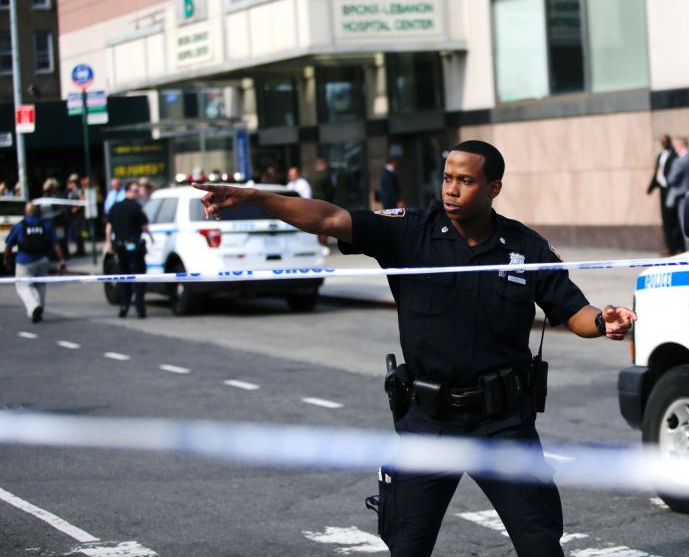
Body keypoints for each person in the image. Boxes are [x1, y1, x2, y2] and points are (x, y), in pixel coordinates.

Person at [194, 140, 637, 556]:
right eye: (447, 178)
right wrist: (253, 197)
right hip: (429, 420)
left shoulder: (525, 247)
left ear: (494, 188)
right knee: (407, 545)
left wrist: (603, 321)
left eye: (465, 181)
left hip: (502, 423)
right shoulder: (409, 233)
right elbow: (328, 219)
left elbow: (573, 309)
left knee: (540, 543)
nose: (451, 188)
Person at [3, 202, 66, 323]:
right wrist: (62, 260)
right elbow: (55, 244)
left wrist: (6, 259)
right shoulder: (46, 225)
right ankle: (40, 308)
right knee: (41, 285)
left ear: (26, 212)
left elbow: (9, 244)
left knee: (23, 286)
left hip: (24, 261)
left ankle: (34, 308)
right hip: (42, 260)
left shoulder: (20, 226)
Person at [105, 181, 152, 318]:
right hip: (135, 247)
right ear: (129, 191)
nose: (137, 193)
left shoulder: (115, 206)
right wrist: (151, 238)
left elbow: (109, 226)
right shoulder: (136, 207)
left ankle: (124, 306)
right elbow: (144, 226)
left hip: (120, 247)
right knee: (139, 277)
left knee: (123, 277)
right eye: (136, 190)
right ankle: (139, 308)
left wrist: (109, 243)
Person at [665, 137, 689, 252]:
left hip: (683, 198)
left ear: (681, 146)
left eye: (676, 147)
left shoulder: (679, 161)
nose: (675, 149)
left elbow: (670, 179)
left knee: (686, 227)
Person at [646, 134, 677, 256]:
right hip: (663, 190)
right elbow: (657, 173)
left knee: (673, 219)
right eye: (662, 141)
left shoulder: (674, 155)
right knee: (666, 220)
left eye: (665, 141)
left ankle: (677, 246)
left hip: (672, 189)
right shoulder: (660, 155)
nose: (663, 143)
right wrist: (651, 187)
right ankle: (670, 246)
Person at [65, 174, 86, 257]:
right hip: (72, 216)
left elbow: (82, 200)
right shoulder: (69, 192)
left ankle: (81, 250)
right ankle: (78, 249)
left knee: (78, 233)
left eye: (70, 183)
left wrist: (76, 208)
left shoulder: (79, 191)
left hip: (78, 216)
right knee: (74, 233)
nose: (68, 184)